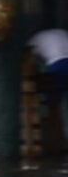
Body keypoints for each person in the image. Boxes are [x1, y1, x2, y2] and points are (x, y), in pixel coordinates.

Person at [30, 25, 68, 155]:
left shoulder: (34, 39)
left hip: (57, 66)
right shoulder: (62, 32)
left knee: (53, 106)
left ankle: (56, 143)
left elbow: (29, 61)